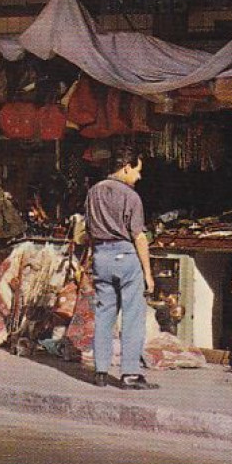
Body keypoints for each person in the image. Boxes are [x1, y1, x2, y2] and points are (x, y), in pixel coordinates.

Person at [83, 146, 157, 390]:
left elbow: (88, 231)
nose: (139, 177)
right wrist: (148, 273)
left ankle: (101, 371)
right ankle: (130, 374)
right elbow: (139, 237)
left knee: (104, 315)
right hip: (125, 256)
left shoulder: (93, 192)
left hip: (100, 256)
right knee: (133, 317)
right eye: (137, 171)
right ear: (126, 168)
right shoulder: (131, 197)